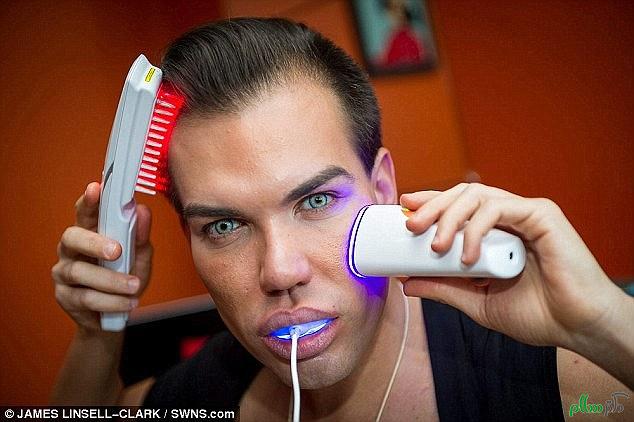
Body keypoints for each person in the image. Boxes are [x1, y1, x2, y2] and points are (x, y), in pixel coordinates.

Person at [51, 18, 633, 420]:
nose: (280, 272)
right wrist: (96, 333)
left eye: (315, 202)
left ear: (382, 188)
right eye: (224, 226)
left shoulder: (552, 382)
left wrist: (604, 324)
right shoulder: (209, 391)